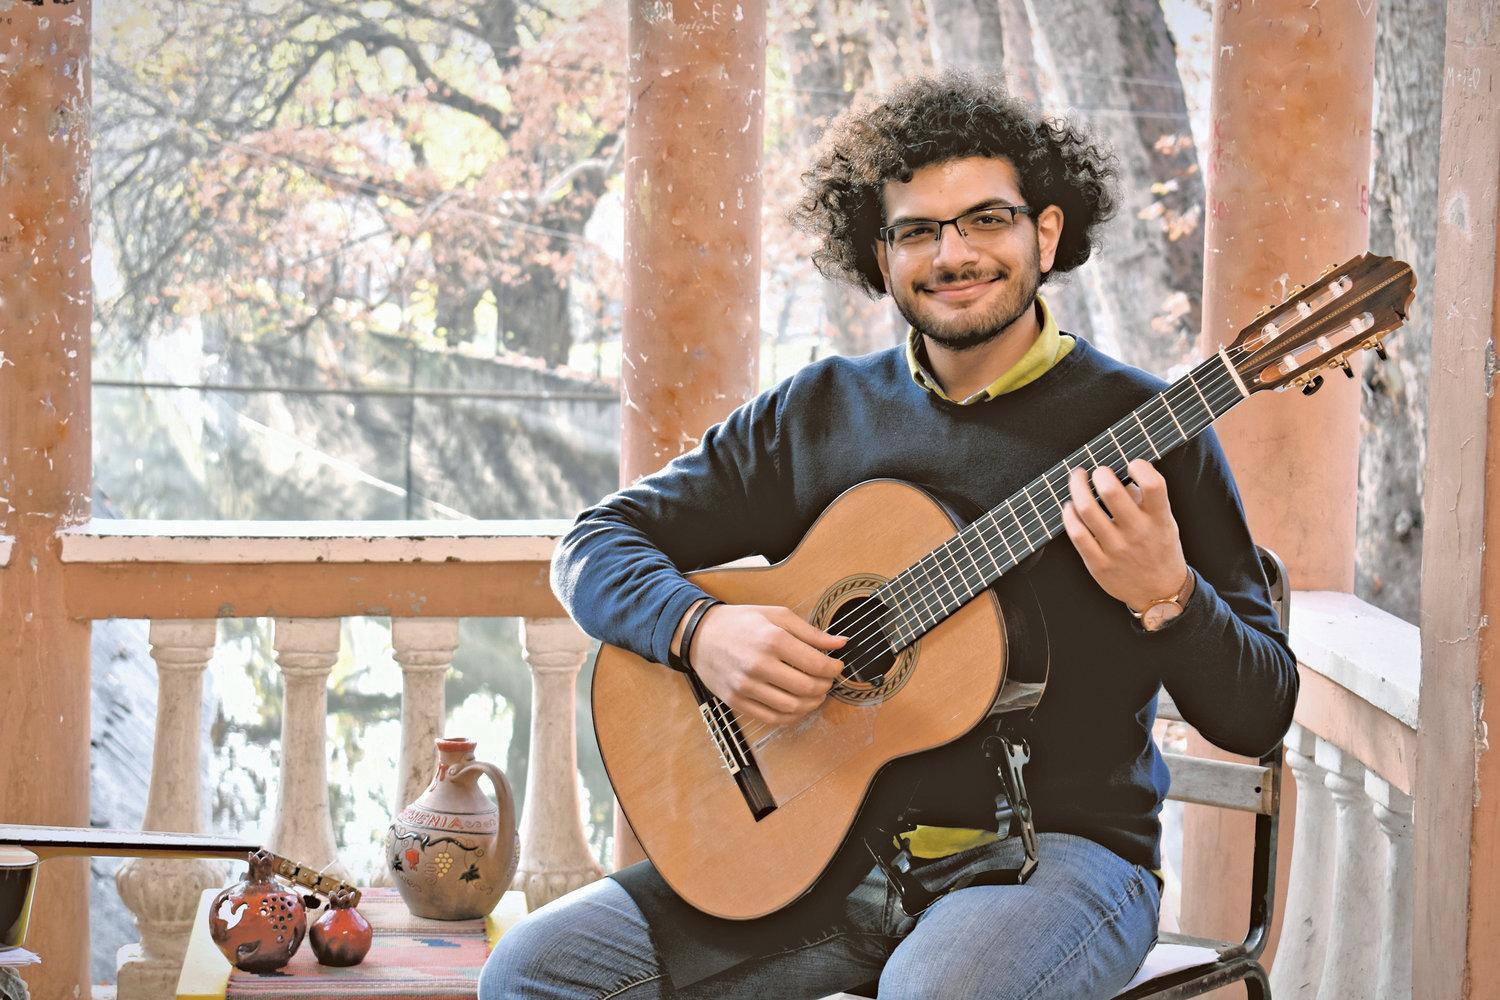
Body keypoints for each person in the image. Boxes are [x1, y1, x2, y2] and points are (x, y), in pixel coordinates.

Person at [479, 72, 1298, 1000]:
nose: (954, 254)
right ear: (880, 254)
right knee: (534, 972)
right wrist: (700, 630)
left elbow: (1258, 714)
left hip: (1058, 859)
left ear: (1046, 233)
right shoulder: (820, 412)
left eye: (986, 219)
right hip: (820, 855)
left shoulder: (1150, 429)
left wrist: (1168, 596)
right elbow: (594, 543)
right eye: (917, 231)